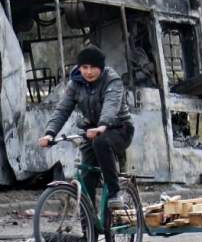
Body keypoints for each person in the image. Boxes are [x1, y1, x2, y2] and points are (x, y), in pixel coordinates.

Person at [37, 45, 134, 209]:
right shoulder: (75, 84)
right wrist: (49, 133)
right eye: (85, 67)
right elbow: (62, 110)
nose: (89, 72)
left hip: (119, 129)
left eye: (93, 67)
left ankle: (114, 192)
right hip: (92, 132)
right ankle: (88, 232)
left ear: (101, 68)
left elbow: (111, 106)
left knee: (100, 142)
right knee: (87, 178)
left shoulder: (112, 80)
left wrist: (103, 125)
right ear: (80, 67)